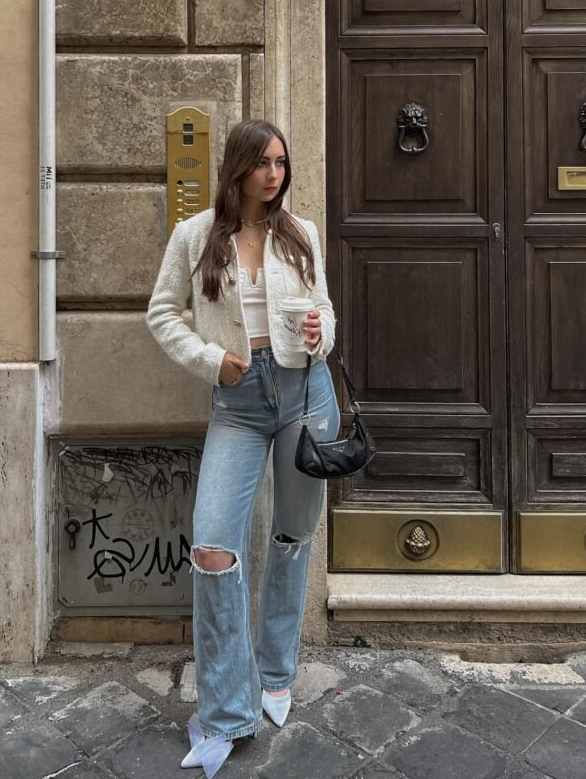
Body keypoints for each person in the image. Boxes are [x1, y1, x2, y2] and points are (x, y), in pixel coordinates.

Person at [146, 119, 340, 777]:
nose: (273, 174)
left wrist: (320, 330)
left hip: (305, 395)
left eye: (281, 161)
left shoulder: (300, 233)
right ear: (236, 167)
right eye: (261, 162)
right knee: (212, 546)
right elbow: (162, 313)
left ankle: (277, 671)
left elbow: (326, 311)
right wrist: (210, 360)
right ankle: (230, 708)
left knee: (291, 535)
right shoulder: (195, 236)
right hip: (238, 398)